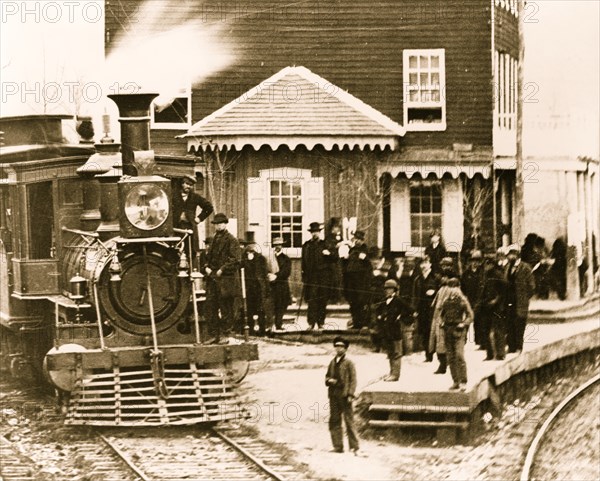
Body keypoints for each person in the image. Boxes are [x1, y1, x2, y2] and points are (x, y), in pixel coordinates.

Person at [203, 213, 241, 343]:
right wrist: (206, 267)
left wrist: (222, 269)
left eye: (220, 224)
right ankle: (214, 335)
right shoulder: (213, 239)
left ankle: (226, 334)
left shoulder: (232, 240)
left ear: (225, 224)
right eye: (216, 224)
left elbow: (235, 260)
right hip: (213, 279)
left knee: (226, 308)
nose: (218, 226)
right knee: (211, 306)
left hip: (225, 280)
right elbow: (207, 257)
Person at [375, 279, 415, 381]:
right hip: (387, 331)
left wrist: (401, 318)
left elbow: (412, 311)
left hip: (396, 331)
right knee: (390, 353)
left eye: (390, 289)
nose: (388, 291)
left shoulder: (398, 300)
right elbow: (379, 312)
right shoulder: (384, 301)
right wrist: (380, 317)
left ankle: (395, 375)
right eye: (386, 289)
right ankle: (391, 372)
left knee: (397, 353)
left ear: (395, 290)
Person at [325, 336, 359, 454]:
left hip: (344, 395)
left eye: (341, 346)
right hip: (333, 395)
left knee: (349, 421)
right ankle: (338, 446)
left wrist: (350, 394)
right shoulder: (332, 362)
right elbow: (327, 376)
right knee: (334, 420)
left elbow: (353, 380)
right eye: (337, 346)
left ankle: (354, 447)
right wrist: (329, 381)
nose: (339, 349)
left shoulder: (349, 363)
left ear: (346, 348)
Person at [440, 278, 474, 391]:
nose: (452, 290)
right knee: (450, 357)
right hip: (447, 330)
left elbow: (470, 315)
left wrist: (463, 324)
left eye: (454, 287)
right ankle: (455, 381)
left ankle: (463, 381)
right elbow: (441, 314)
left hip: (458, 330)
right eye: (450, 287)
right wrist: (441, 322)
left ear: (458, 288)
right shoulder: (446, 301)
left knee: (459, 355)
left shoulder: (462, 300)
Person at [302, 222, 335, 330]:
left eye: (316, 232)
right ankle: (311, 323)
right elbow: (303, 262)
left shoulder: (326, 244)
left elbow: (335, 258)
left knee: (322, 299)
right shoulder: (307, 245)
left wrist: (329, 254)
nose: (314, 234)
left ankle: (321, 323)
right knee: (312, 300)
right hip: (311, 277)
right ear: (311, 233)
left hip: (323, 277)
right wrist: (304, 276)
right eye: (313, 232)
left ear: (319, 232)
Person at [505, 244, 535, 353]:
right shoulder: (507, 267)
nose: (509, 257)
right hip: (509, 300)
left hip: (520, 301)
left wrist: (525, 297)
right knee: (510, 323)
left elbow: (531, 286)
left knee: (519, 324)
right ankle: (511, 346)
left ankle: (519, 347)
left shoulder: (525, 268)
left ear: (517, 254)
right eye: (508, 254)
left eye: (511, 254)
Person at [172, 175, 214, 252]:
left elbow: (209, 207)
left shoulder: (195, 197)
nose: (189, 186)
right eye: (187, 184)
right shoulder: (173, 196)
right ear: (182, 184)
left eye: (191, 185)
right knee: (174, 250)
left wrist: (199, 218)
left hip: (190, 228)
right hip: (175, 228)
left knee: (191, 251)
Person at [240, 231, 270, 336]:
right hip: (247, 288)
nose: (250, 247)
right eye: (247, 245)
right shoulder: (242, 259)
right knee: (249, 310)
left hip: (258, 288)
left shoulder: (261, 258)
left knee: (261, 310)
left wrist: (266, 289)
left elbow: (265, 274)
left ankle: (262, 331)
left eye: (252, 244)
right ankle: (251, 331)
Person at [481, 251, 508, 360]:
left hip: (497, 307)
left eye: (489, 264)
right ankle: (490, 354)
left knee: (498, 330)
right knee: (486, 330)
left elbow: (505, 290)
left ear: (493, 264)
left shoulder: (498, 275)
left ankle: (500, 354)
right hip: (487, 306)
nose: (487, 266)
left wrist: (497, 300)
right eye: (486, 264)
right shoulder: (485, 275)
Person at [413, 256, 440, 361]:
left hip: (432, 309)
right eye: (422, 263)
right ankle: (428, 355)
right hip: (422, 309)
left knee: (434, 331)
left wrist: (434, 293)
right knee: (424, 332)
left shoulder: (435, 278)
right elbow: (414, 295)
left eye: (426, 263)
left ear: (430, 264)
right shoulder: (418, 279)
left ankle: (439, 355)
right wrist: (414, 309)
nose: (424, 265)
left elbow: (440, 293)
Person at [344, 230, 372, 330]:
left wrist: (365, 259)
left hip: (361, 281)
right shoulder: (352, 250)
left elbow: (369, 267)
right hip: (351, 281)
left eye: (359, 239)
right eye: (356, 239)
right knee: (353, 302)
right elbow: (347, 267)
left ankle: (364, 324)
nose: (357, 241)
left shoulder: (366, 250)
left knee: (362, 302)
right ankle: (356, 323)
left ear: (363, 240)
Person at [461, 250, 486, 348]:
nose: (475, 263)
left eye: (477, 261)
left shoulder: (482, 273)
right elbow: (462, 287)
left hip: (479, 300)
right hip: (469, 299)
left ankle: (479, 341)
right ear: (470, 262)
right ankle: (463, 340)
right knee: (467, 320)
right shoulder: (466, 274)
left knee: (479, 321)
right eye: (473, 261)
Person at [269, 237, 292, 331]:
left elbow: (286, 272)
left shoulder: (286, 259)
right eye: (275, 245)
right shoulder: (269, 258)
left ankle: (279, 324)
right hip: (271, 285)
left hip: (282, 285)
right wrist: (269, 275)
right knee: (271, 305)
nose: (277, 246)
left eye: (279, 244)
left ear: (282, 246)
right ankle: (270, 325)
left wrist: (276, 276)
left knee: (281, 305)